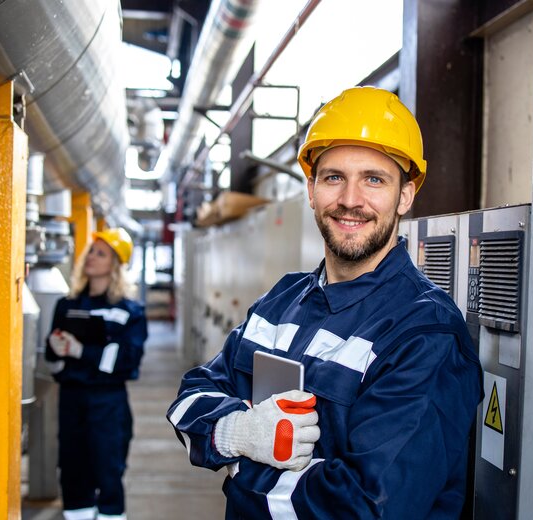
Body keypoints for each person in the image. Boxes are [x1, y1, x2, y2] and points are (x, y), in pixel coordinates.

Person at [166, 86, 483, 519]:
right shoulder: (283, 301)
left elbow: (365, 506)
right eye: (334, 177)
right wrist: (238, 434)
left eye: (374, 179)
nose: (351, 200)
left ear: (405, 195)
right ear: (311, 189)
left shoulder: (425, 333)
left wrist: (240, 474)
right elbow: (188, 400)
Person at [45, 228, 147, 520]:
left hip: (108, 404)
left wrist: (82, 352)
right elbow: (53, 359)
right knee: (73, 472)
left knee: (108, 471)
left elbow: (128, 361)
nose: (91, 257)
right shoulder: (67, 304)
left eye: (100, 253)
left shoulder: (129, 311)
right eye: (91, 250)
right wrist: (55, 347)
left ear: (115, 264)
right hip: (71, 400)